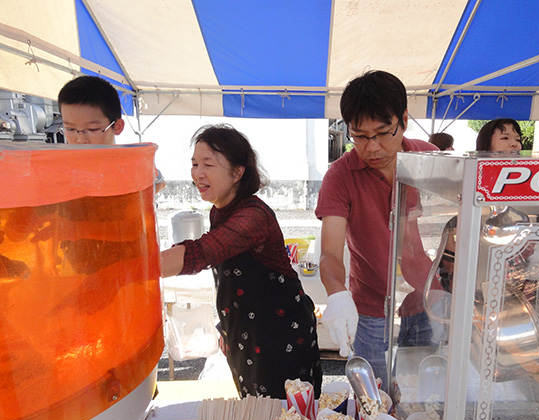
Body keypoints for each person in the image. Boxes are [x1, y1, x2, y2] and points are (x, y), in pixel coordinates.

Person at [161, 124, 322, 399]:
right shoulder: (218, 211)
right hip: (244, 331)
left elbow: (203, 252)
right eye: (195, 163)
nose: (198, 173)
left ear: (238, 172)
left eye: (208, 164)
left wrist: (131, 269)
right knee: (253, 412)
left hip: (280, 335)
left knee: (289, 419)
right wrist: (226, 326)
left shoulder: (254, 216)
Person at [315, 70, 441, 385]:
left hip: (429, 300)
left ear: (404, 120)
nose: (371, 147)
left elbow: (453, 227)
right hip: (371, 308)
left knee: (425, 392)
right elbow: (330, 251)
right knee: (376, 397)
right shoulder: (340, 176)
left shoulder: (430, 159)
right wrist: (337, 295)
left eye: (383, 133)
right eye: (359, 135)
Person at [58, 75, 166, 193]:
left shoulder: (131, 163)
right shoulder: (60, 169)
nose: (80, 139)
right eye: (70, 129)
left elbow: (160, 182)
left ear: (117, 127)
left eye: (92, 129)